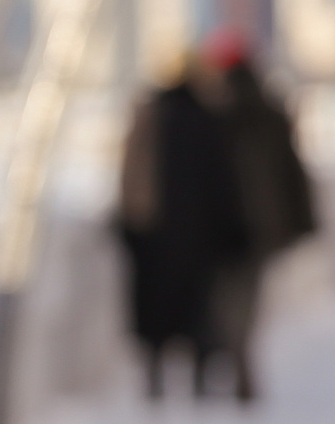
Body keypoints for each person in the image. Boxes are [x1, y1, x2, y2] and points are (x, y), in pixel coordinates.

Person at [116, 26, 317, 403]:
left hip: (200, 229)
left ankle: (206, 363)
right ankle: (233, 358)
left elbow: (138, 177)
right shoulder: (251, 111)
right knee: (235, 300)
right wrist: (299, 221)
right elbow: (288, 174)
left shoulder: (193, 112)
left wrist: (133, 221)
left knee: (189, 302)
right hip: (243, 228)